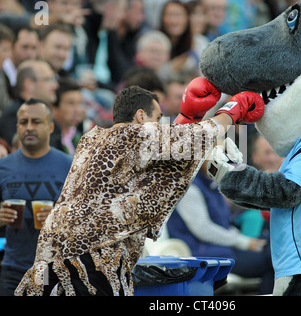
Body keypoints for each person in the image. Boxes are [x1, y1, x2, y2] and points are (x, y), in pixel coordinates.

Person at [15, 78, 264, 296]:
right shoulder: (132, 135)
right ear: (141, 117)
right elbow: (193, 138)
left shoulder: (92, 138)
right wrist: (232, 109)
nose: (161, 126)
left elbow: (161, 163)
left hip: (51, 256)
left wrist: (188, 118)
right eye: (158, 119)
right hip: (92, 258)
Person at [167, 158, 274, 295]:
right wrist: (243, 242)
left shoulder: (211, 183)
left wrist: (242, 240)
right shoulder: (189, 187)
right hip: (201, 255)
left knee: (270, 248)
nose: (220, 158)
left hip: (222, 250)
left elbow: (224, 223)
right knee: (271, 262)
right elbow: (203, 229)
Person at [0, 98, 73, 296]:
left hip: (55, 268)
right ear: (17, 126)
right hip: (13, 267)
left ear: (50, 127)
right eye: (24, 122)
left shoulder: (69, 166)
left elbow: (86, 219)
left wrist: (58, 219)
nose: (29, 127)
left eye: (36, 122)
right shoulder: (3, 167)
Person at [0, 59, 58, 148]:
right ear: (29, 83)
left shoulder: (48, 115)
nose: (55, 85)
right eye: (48, 79)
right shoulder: (13, 116)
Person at [52, 77, 85, 155]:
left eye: (80, 103)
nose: (78, 110)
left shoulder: (80, 136)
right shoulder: (48, 141)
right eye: (71, 103)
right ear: (54, 108)